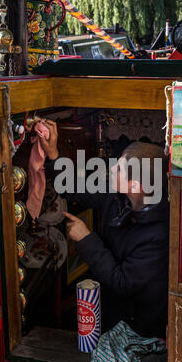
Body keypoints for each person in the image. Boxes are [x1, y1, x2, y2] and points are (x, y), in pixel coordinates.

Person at [42, 120, 169, 339]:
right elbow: (75, 188)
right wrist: (54, 154)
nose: (111, 169)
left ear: (136, 186)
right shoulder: (119, 194)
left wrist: (85, 239)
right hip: (109, 307)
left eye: (119, 168)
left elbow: (122, 282)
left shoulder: (159, 234)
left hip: (137, 328)